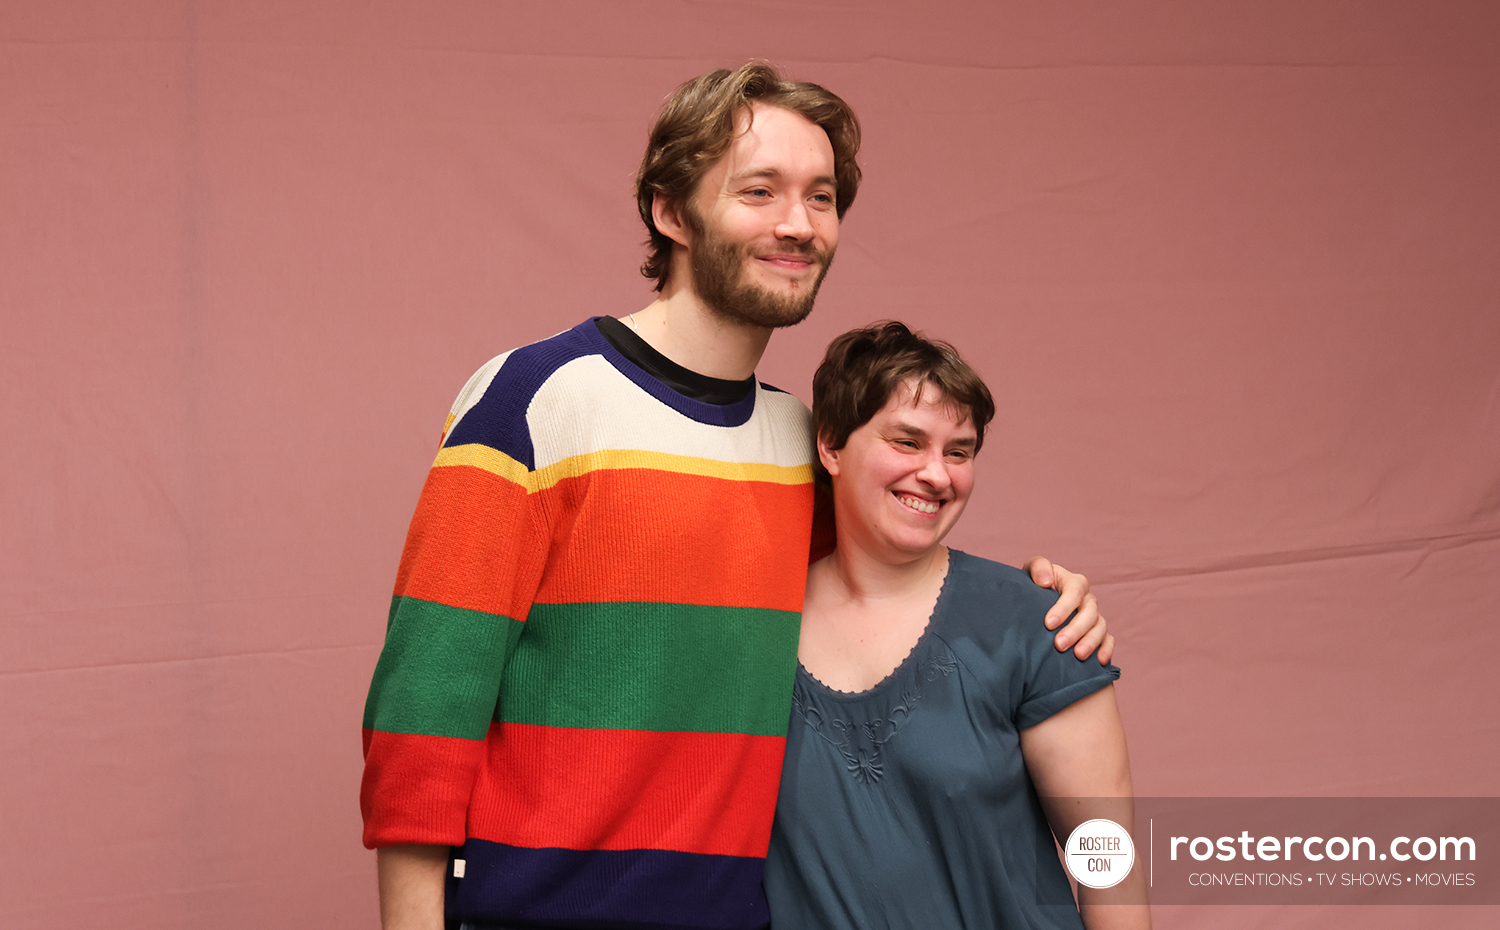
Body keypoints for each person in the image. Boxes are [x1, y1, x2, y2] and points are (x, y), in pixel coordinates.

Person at [360, 63, 1113, 930]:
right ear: (670, 212)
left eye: (822, 197)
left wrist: (1045, 605)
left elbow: (896, 594)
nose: (799, 225)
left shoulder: (801, 446)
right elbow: (421, 720)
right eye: (760, 191)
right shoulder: (534, 398)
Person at [765, 322, 1148, 929]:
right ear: (832, 445)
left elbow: (1110, 867)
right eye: (908, 442)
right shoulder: (753, 624)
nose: (938, 475)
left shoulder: (1039, 621)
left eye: (959, 452)